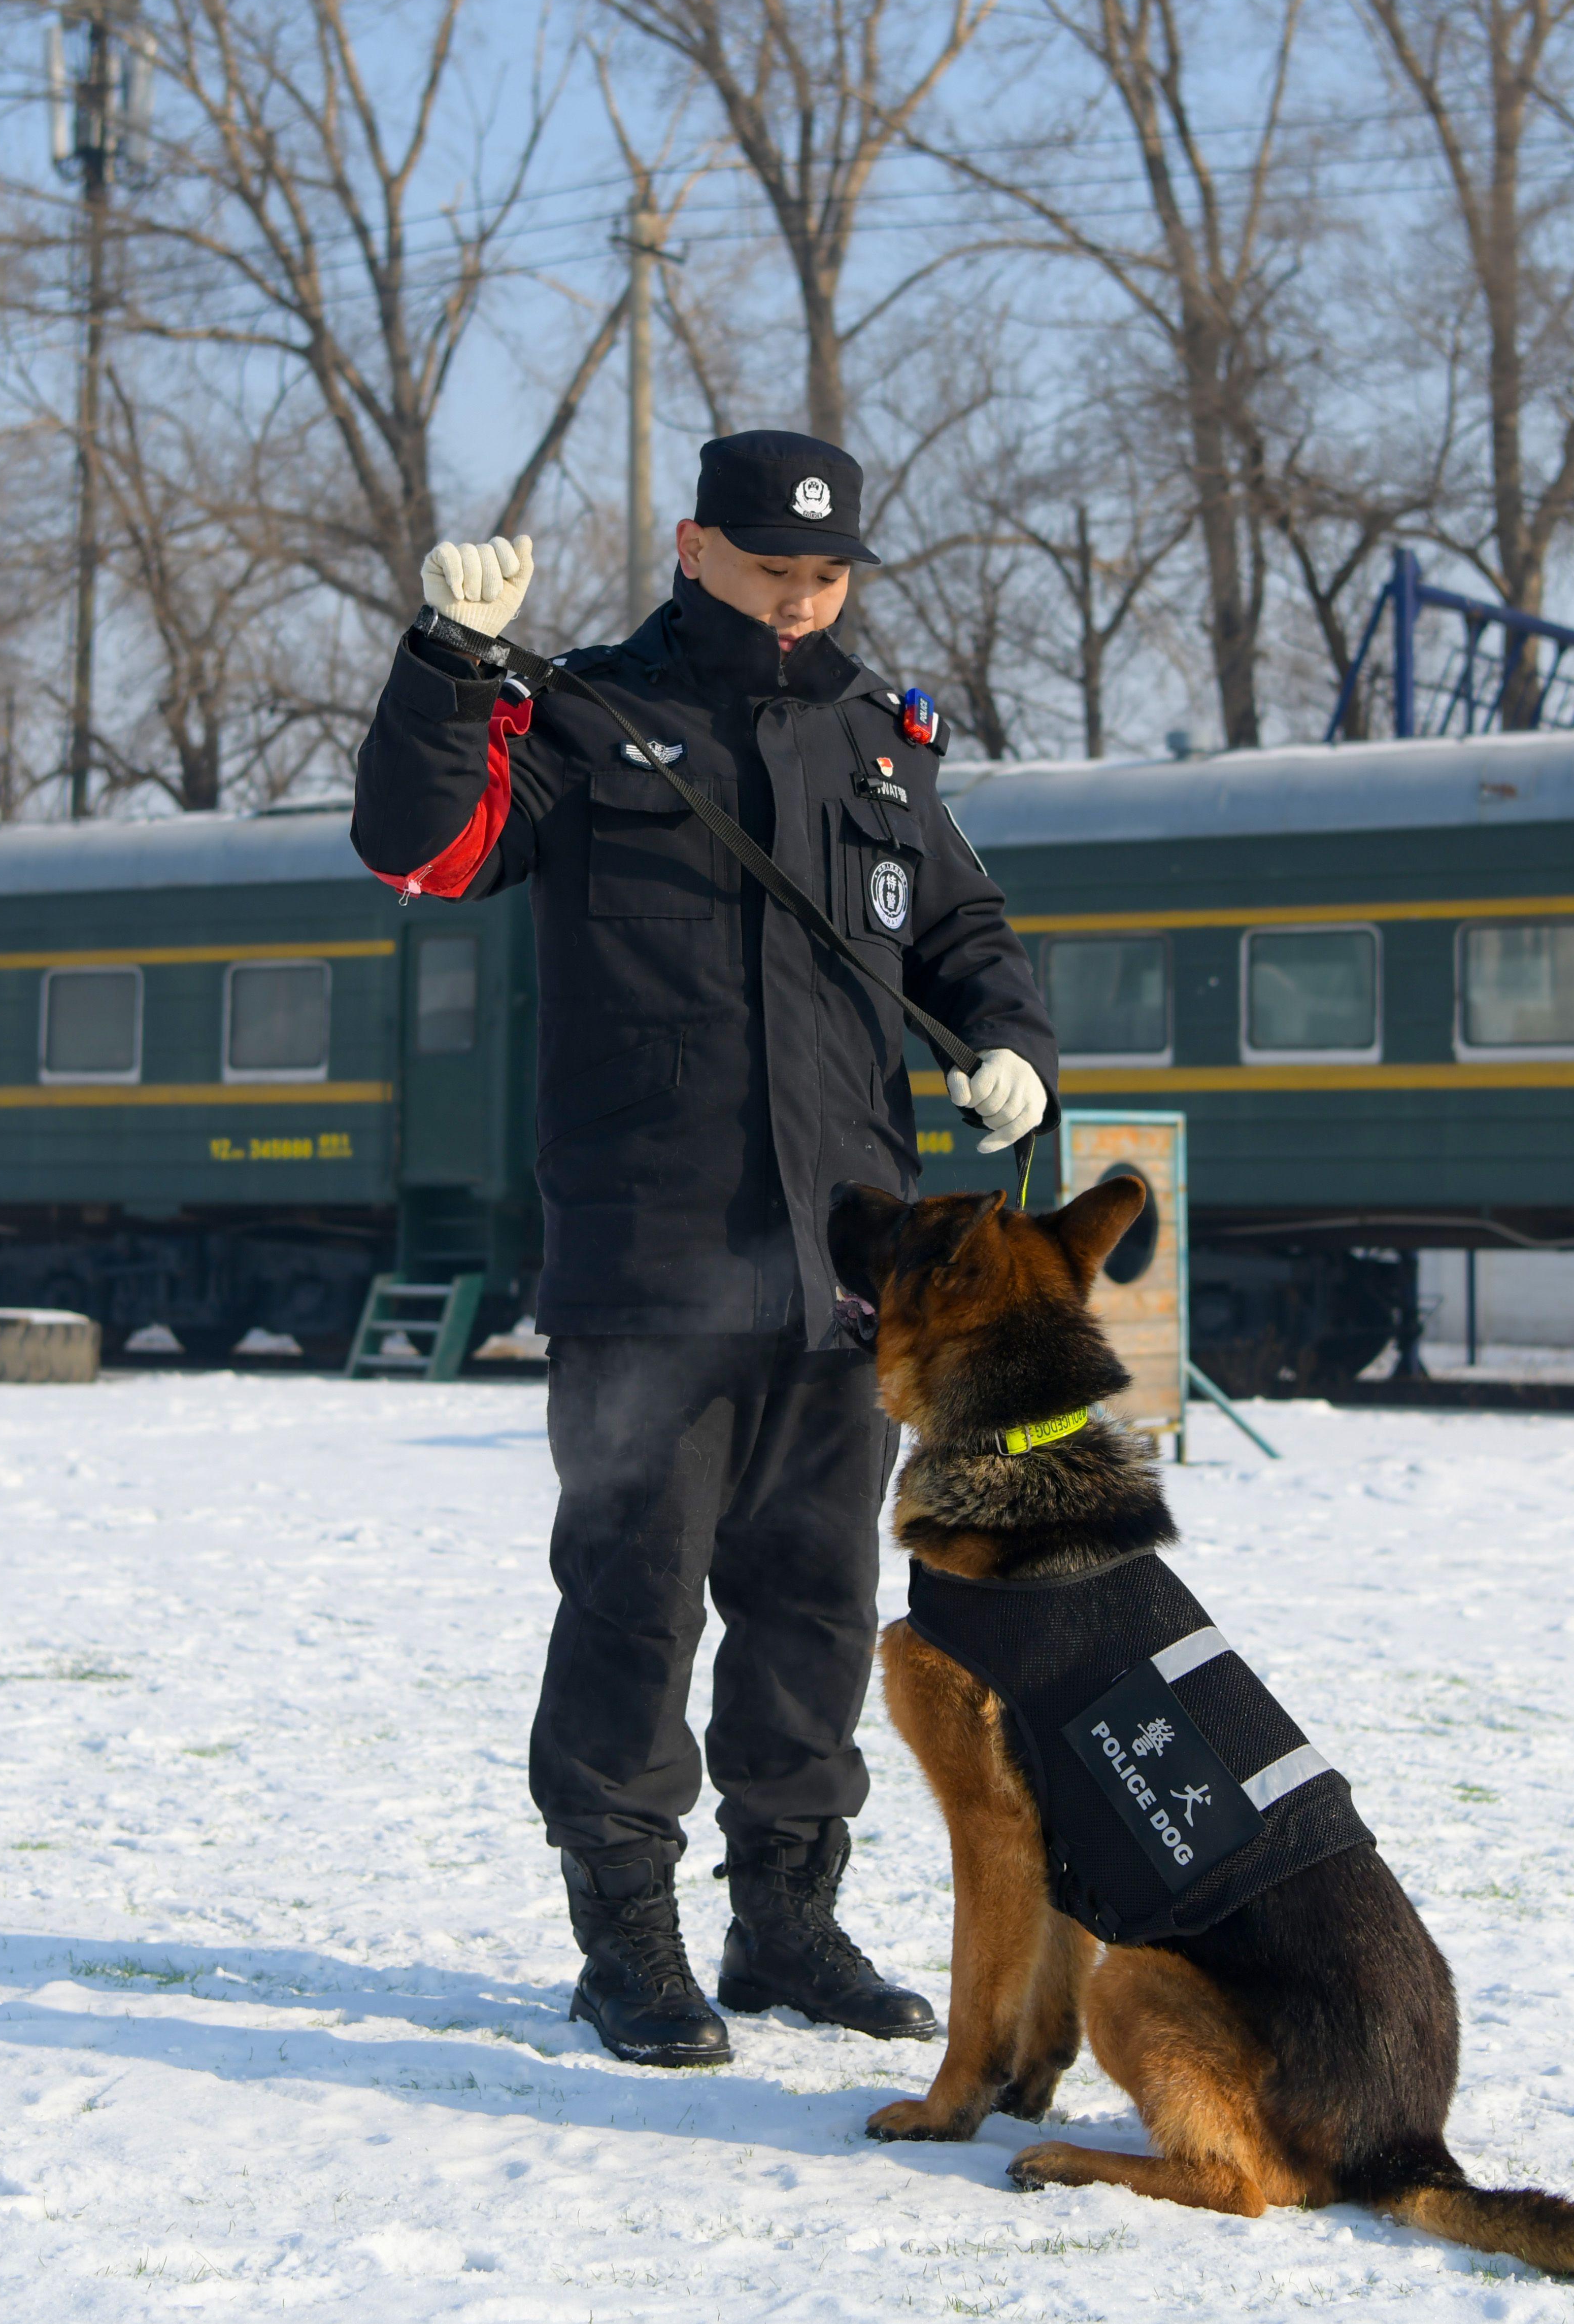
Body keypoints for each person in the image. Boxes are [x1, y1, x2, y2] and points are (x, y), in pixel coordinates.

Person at [351, 432, 1059, 2066]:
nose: (802, 603)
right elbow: (423, 850)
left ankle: (788, 1924)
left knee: (817, 1604)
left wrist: (1005, 1034)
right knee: (634, 1604)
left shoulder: (887, 743)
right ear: (693, 546)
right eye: (771, 570)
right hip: (650, 1268)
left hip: (845, 1271)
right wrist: (449, 671)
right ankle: (629, 1941)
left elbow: (960, 930)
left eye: (828, 575)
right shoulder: (590, 720)